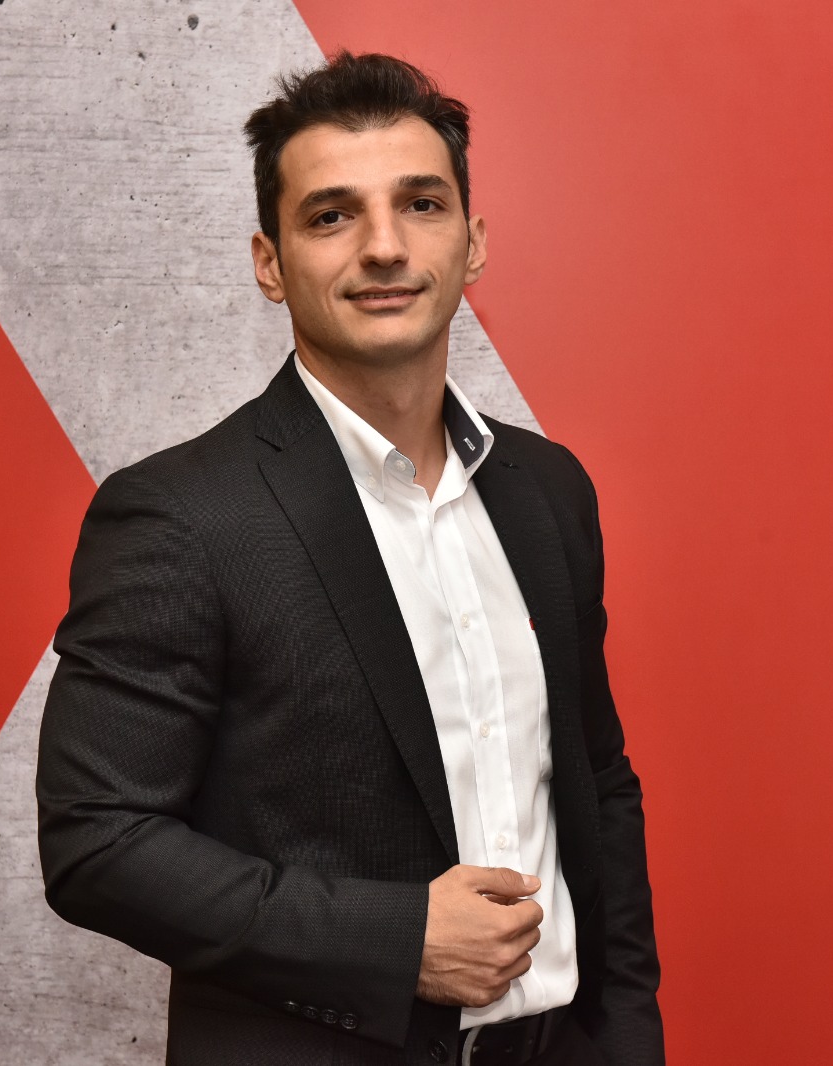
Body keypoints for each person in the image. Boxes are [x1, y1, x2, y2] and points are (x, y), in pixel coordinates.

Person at [36, 52, 663, 1066]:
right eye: (331, 216)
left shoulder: (548, 491)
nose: (383, 246)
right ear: (269, 262)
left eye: (422, 204)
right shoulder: (179, 515)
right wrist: (397, 941)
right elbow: (97, 841)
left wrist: (626, 1039)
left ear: (472, 242)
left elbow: (596, 784)